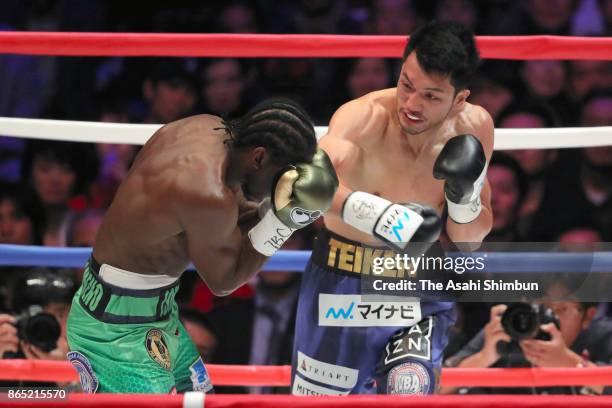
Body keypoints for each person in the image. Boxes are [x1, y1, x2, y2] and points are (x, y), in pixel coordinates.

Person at [66, 98, 338, 394]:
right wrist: (284, 221)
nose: (278, 190)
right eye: (278, 179)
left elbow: (222, 219)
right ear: (258, 158)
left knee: (199, 399)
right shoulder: (207, 194)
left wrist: (272, 208)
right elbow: (224, 281)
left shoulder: (203, 126)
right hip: (116, 332)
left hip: (150, 310)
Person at [292, 21, 494, 396]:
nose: (412, 105)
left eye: (432, 96)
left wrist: (464, 202)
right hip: (342, 280)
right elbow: (306, 186)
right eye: (406, 85)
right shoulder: (363, 119)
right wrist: (382, 216)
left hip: (419, 288)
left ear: (460, 98)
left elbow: (468, 242)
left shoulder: (474, 127)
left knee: (409, 390)